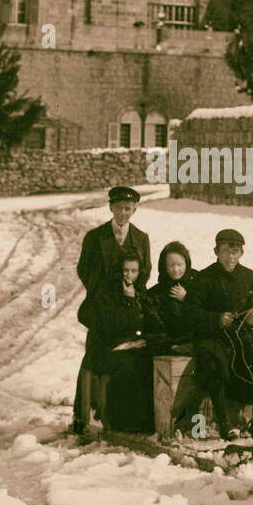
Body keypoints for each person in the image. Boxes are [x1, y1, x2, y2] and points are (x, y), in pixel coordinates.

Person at [189, 229, 253, 440]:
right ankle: (225, 422)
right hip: (213, 336)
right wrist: (216, 319)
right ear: (216, 251)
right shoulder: (204, 277)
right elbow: (192, 313)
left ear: (241, 253)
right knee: (213, 363)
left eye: (236, 251)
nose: (231, 257)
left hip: (242, 337)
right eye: (226, 251)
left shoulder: (249, 276)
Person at [73, 185, 151, 432]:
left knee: (131, 358)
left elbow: (145, 270)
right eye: (119, 207)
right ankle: (83, 412)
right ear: (110, 208)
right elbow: (84, 269)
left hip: (128, 305)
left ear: (135, 209)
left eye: (128, 208)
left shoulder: (141, 238)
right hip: (102, 307)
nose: (123, 213)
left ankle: (120, 413)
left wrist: (132, 292)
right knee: (94, 356)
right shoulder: (96, 237)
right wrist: (103, 294)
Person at [85, 249, 161, 433]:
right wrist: (128, 302)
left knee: (150, 364)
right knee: (129, 367)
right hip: (107, 349)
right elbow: (110, 325)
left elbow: (150, 321)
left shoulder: (141, 291)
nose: (129, 275)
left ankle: (146, 422)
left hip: (134, 347)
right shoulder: (106, 293)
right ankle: (121, 421)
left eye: (134, 271)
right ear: (119, 270)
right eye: (126, 270)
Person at [146, 241, 200, 353]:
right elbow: (154, 328)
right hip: (167, 345)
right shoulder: (155, 293)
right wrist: (170, 346)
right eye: (171, 265)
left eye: (179, 265)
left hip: (196, 342)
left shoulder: (198, 283)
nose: (175, 270)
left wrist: (187, 299)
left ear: (187, 263)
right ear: (164, 266)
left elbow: (206, 314)